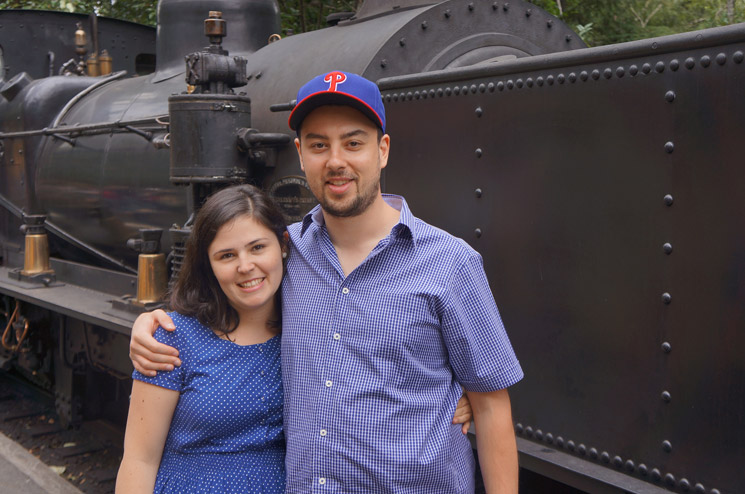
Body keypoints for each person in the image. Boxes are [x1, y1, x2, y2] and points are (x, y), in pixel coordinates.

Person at [130, 71, 523, 493]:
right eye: (319, 145)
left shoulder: (450, 263)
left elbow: (490, 407)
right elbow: (223, 307)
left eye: (353, 143)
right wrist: (151, 323)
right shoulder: (285, 253)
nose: (336, 160)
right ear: (300, 155)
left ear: (382, 150)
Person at [116, 185, 288, 493]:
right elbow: (139, 460)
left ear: (283, 245)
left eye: (258, 247)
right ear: (208, 265)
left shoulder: (307, 330)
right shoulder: (173, 338)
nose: (245, 266)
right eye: (226, 255)